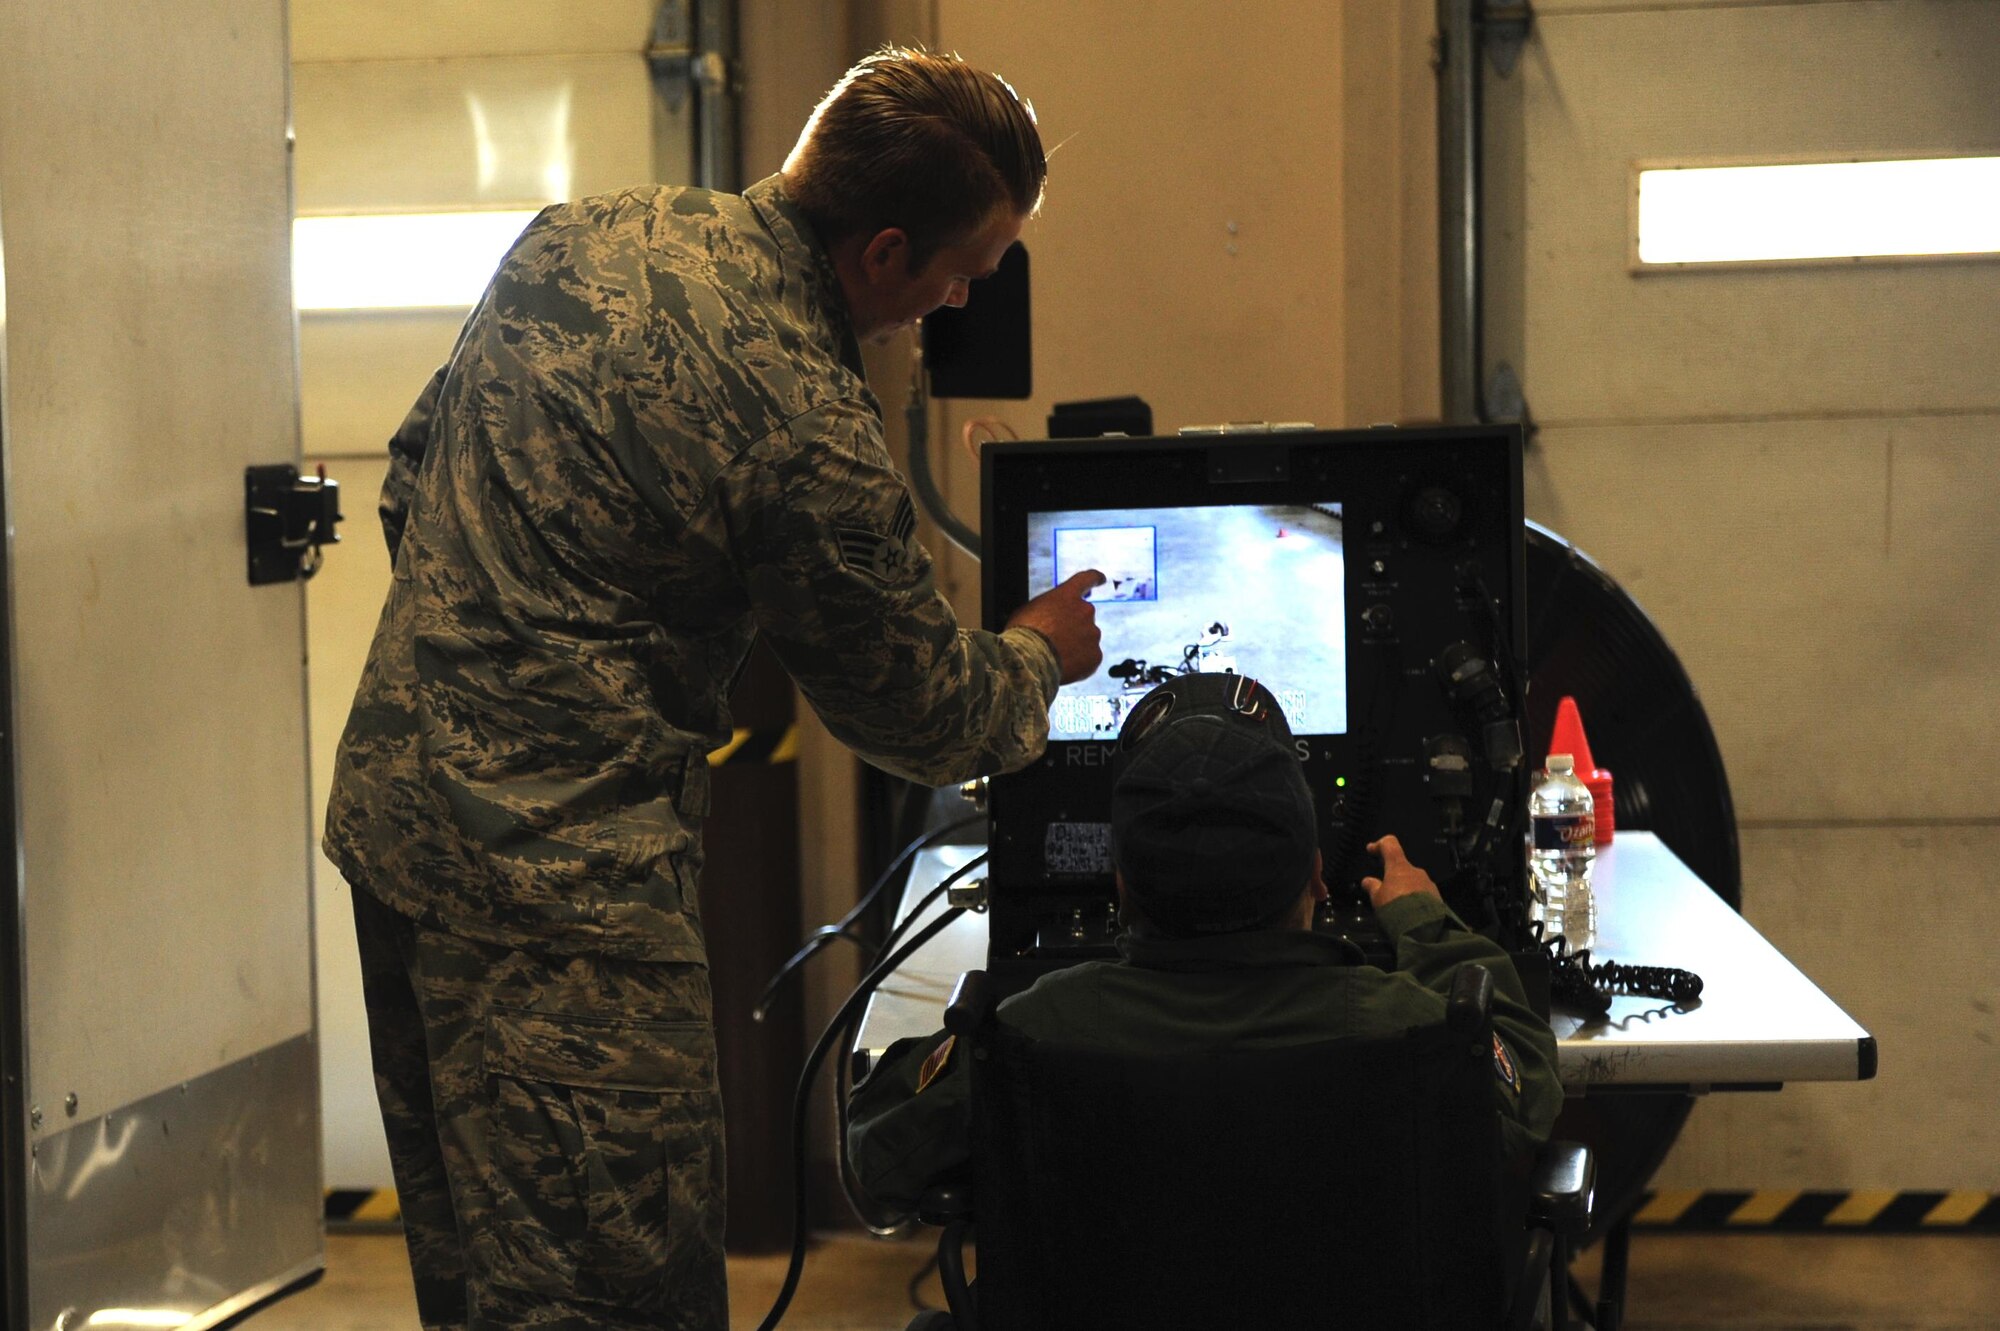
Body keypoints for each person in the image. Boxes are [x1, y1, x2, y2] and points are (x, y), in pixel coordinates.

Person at [324, 48, 1102, 1331]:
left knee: (478, 1282)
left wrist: (531, 653)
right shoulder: (800, 409)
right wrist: (1033, 655)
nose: (950, 307)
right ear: (884, 252)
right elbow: (916, 712)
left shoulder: (584, 236)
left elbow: (414, 476)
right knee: (613, 1296)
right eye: (960, 277)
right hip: (566, 902)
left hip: (398, 834)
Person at [847, 672, 1562, 1214]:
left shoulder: (1030, 1035)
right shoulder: (1410, 1030)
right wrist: (1429, 927)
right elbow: (1525, 1086)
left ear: (1121, 887)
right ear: (1317, 875)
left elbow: (875, 1160)